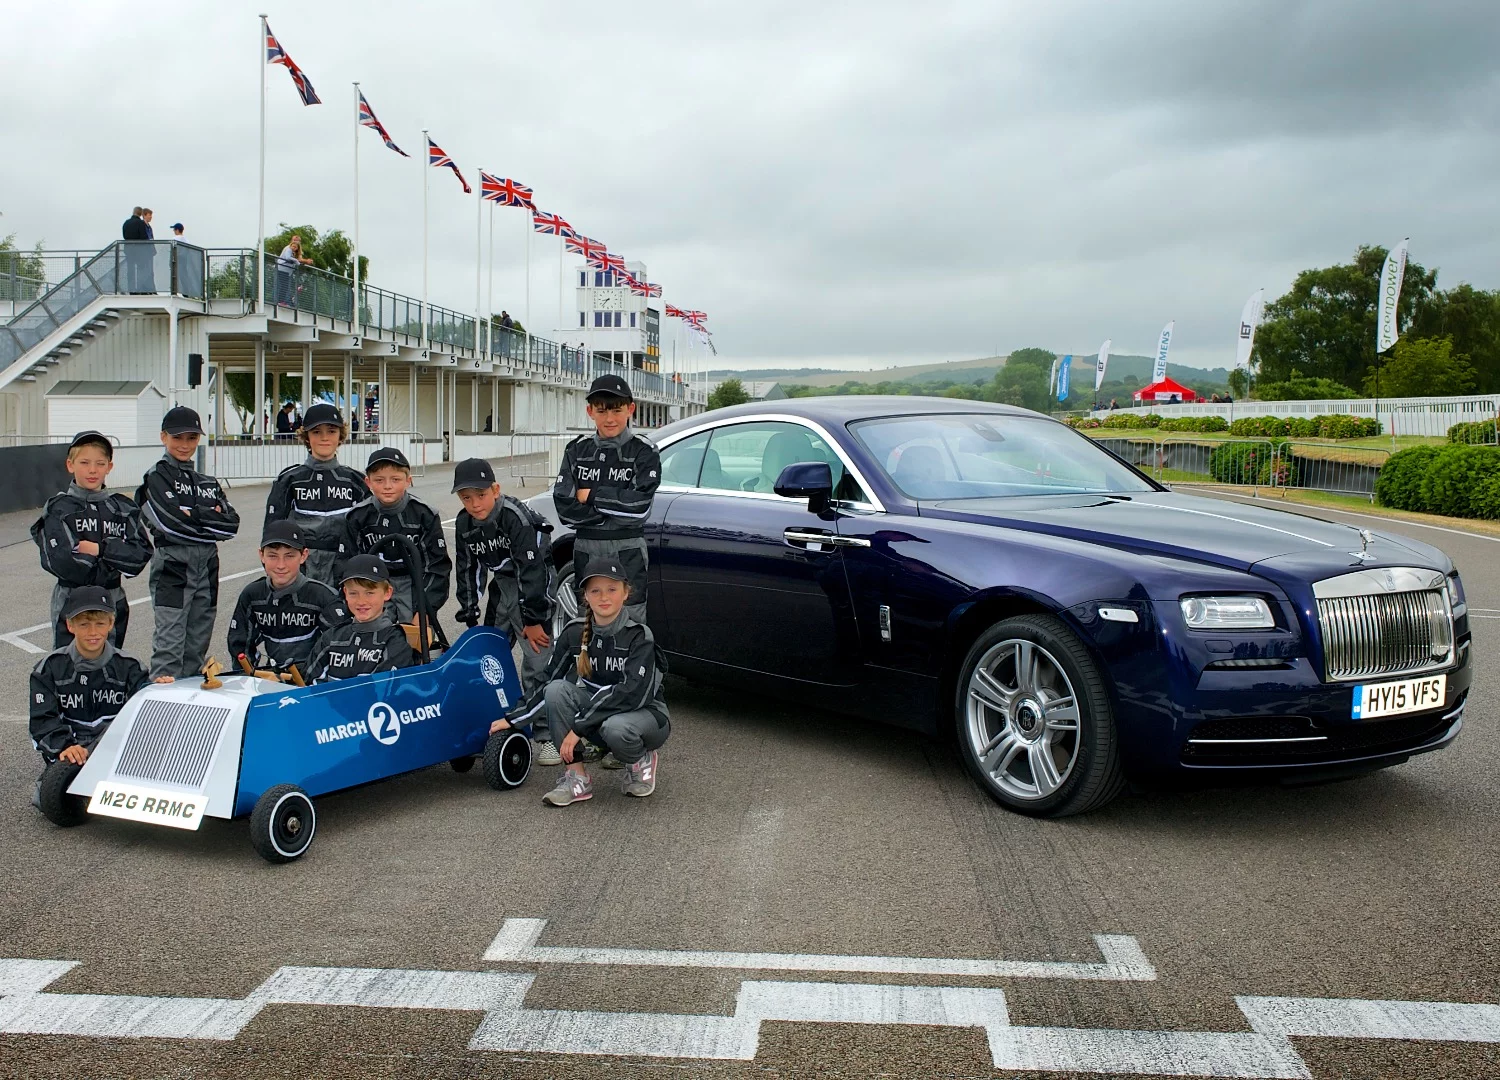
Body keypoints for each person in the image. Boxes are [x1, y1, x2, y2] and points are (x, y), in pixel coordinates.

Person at [501, 562, 667, 805]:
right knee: (556, 691)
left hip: (646, 717)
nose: (604, 597)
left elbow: (631, 694)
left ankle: (639, 760)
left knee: (616, 727)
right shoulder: (574, 632)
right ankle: (576, 777)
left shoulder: (640, 636)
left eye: (612, 589)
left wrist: (578, 728)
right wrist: (511, 720)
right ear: (586, 597)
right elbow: (548, 679)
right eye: (595, 591)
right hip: (598, 717)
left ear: (626, 592)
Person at [30, 587, 172, 806]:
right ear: (70, 626)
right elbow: (42, 721)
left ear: (111, 623)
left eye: (100, 623)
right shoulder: (48, 669)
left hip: (114, 750)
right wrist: (66, 746)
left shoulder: (130, 666)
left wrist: (158, 690)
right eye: (84, 624)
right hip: (72, 751)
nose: (93, 632)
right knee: (46, 800)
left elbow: (144, 715)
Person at [452, 457, 554, 751]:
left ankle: (546, 734)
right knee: (487, 656)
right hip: (503, 587)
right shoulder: (464, 522)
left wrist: (533, 620)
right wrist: (470, 613)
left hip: (536, 585)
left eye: (481, 495)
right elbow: (467, 568)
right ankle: (493, 721)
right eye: (466, 498)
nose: (474, 504)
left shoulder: (514, 517)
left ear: (495, 489)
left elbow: (532, 570)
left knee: (537, 660)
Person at [136, 406, 241, 679]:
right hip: (173, 567)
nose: (184, 444)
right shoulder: (155, 477)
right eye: (177, 437)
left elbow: (231, 525)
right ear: (163, 437)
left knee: (196, 649)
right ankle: (160, 715)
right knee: (169, 650)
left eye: (191, 438)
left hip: (207, 567)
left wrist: (191, 514)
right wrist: (207, 518)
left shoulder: (207, 481)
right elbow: (170, 525)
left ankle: (189, 715)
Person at [553, 374, 660, 624]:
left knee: (630, 625)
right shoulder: (576, 450)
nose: (609, 419)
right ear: (590, 411)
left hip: (627, 550)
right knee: (587, 623)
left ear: (630, 409)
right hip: (586, 550)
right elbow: (565, 509)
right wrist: (614, 506)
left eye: (616, 410)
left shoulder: (644, 451)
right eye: (601, 411)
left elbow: (639, 507)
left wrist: (591, 496)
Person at [31, 430, 153, 649]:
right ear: (70, 465)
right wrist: (114, 560)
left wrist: (100, 549)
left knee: (112, 663)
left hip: (113, 598)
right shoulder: (59, 508)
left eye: (100, 463)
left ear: (109, 467)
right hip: (72, 599)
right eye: (84, 462)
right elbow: (61, 562)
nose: (92, 470)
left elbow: (140, 556)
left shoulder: (123, 508)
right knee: (69, 665)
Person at [336, 446, 450, 623]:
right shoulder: (357, 516)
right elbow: (346, 564)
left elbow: (437, 567)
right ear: (368, 482)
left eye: (395, 479)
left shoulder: (425, 515)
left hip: (414, 586)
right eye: (379, 480)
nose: (387, 486)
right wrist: (358, 603)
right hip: (372, 586)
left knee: (417, 641)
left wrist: (425, 609)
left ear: (408, 480)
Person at [227, 520, 348, 680]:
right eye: (273, 556)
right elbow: (240, 646)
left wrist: (313, 680)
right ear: (261, 555)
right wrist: (249, 680)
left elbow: (341, 648)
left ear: (304, 556)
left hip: (313, 683)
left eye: (289, 556)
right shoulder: (252, 595)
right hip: (273, 679)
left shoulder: (323, 596)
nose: (281, 565)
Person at [264, 403, 366, 587]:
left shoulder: (355, 480)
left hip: (344, 567)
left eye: (332, 431)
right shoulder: (289, 480)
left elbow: (368, 529)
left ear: (340, 435)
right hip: (302, 568)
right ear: (306, 436)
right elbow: (272, 534)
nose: (325, 438)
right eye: (317, 432)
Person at [307, 555, 417, 682]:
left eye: (369, 593)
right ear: (345, 593)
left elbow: (382, 692)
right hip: (327, 702)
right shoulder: (331, 637)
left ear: (387, 593)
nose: (361, 601)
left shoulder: (395, 642)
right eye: (353, 593)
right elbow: (309, 684)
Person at [275, 234, 314, 308]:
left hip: (289, 271)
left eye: (298, 241)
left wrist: (301, 261)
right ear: (291, 242)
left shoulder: (296, 250)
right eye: (294, 241)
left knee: (287, 285)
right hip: (283, 269)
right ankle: (282, 301)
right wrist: (305, 261)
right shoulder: (288, 248)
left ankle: (289, 300)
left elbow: (299, 258)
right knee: (284, 286)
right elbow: (290, 258)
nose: (296, 243)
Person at [121, 206, 149, 293]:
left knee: (130, 270)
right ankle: (140, 288)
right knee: (141, 269)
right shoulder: (140, 223)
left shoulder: (126, 222)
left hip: (128, 249)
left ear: (133, 212)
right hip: (139, 250)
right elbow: (144, 237)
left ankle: (131, 289)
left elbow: (124, 235)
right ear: (140, 214)